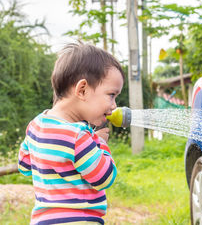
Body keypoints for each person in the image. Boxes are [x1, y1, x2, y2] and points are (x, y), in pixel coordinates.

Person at [18, 41, 124, 224]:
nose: (114, 105)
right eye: (111, 95)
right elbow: (105, 177)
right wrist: (101, 144)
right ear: (82, 90)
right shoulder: (78, 136)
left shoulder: (35, 125)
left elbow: (24, 166)